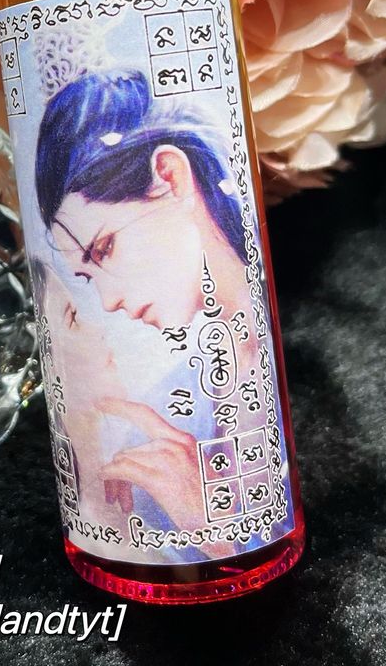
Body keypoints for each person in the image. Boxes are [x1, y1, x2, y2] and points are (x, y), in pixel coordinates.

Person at [35, 68, 255, 544]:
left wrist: (203, 523)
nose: (108, 301)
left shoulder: (268, 352)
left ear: (171, 177)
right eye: (87, 279)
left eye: (104, 249)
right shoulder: (170, 402)